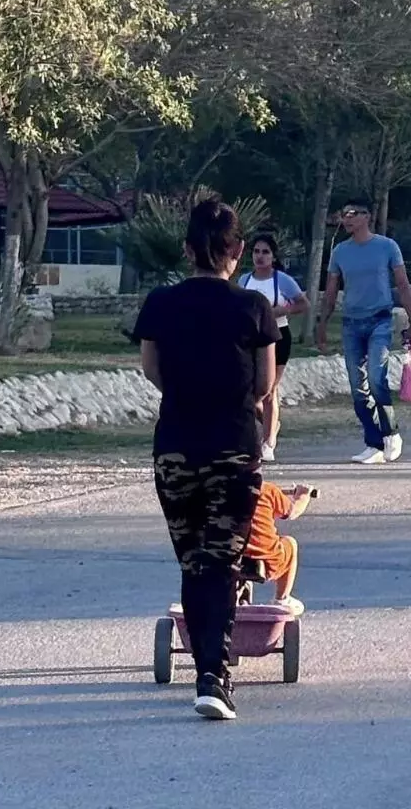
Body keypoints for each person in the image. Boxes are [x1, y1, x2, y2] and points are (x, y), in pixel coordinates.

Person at [132, 198, 278, 722]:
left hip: (175, 447)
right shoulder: (253, 307)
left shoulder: (160, 303)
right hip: (232, 447)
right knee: (222, 562)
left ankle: (207, 671)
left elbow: (151, 369)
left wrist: (187, 393)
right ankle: (213, 676)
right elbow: (264, 384)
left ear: (187, 249)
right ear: (237, 251)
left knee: (194, 562)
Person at [314, 203, 411, 466]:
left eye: (352, 214)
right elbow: (331, 290)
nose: (347, 219)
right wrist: (322, 323)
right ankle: (373, 443)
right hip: (351, 323)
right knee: (357, 388)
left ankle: (391, 432)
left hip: (380, 320)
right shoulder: (340, 251)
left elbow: (402, 283)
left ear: (366, 217)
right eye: (344, 215)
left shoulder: (387, 246)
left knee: (376, 378)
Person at [238, 234, 308, 463]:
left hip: (278, 337)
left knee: (269, 390)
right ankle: (267, 426)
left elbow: (303, 304)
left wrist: (281, 310)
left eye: (265, 252)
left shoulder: (283, 280)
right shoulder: (244, 281)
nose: (260, 256)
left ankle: (268, 442)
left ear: (273, 256)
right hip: (250, 339)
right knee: (250, 391)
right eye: (256, 251)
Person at [244, 479, 316, 612]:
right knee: (289, 543)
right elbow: (293, 511)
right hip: (267, 560)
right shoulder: (266, 490)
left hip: (220, 558)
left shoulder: (209, 490)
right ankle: (282, 598)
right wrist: (303, 495)